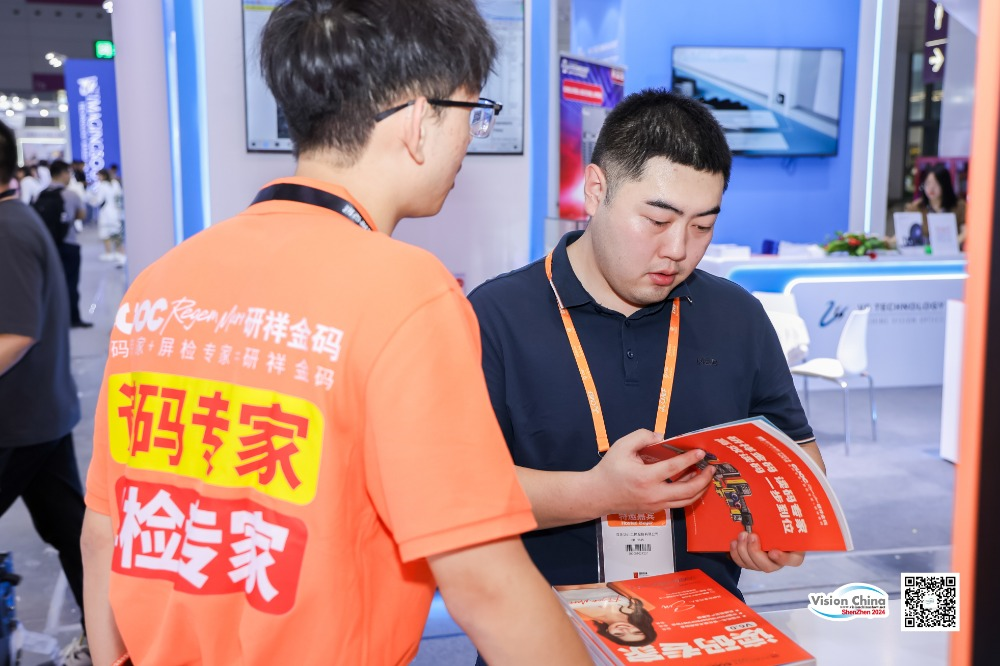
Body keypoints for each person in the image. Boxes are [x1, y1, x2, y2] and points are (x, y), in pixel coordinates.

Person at [80, 2, 589, 666]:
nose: (471, 137)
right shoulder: (406, 291)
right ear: (418, 120)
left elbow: (104, 531)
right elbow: (487, 586)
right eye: (472, 112)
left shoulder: (159, 283)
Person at [469, 90, 826, 607]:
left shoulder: (737, 316)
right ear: (596, 190)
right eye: (658, 221)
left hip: (704, 624)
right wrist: (598, 493)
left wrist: (782, 529)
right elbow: (462, 491)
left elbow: (799, 460)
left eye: (702, 226)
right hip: (544, 627)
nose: (678, 249)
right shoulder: (496, 316)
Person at [0, 122, 91, 665]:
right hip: (40, 413)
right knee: (74, 533)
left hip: (19, 418)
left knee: (74, 532)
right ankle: (108, 637)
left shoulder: (8, 230)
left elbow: (17, 333)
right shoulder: (17, 219)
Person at [38, 160, 92, 328]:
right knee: (71, 283)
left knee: (51, 283)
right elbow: (82, 215)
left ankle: (52, 320)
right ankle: (73, 318)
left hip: (48, 246)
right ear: (62, 174)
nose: (69, 176)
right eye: (68, 173)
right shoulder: (70, 195)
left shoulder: (41, 195)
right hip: (68, 244)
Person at [557, 584, 657, 647]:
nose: (624, 630)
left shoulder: (579, 618)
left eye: (619, 634)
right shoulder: (638, 605)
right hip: (591, 566)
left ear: (608, 632)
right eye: (636, 632)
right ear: (644, 627)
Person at [904, 163, 967, 247]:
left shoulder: (959, 206)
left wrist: (952, 244)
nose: (931, 188)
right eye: (928, 183)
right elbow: (905, 233)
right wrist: (889, 242)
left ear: (945, 185)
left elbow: (966, 232)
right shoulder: (916, 207)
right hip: (923, 252)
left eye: (936, 183)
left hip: (952, 251)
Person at [87, 169, 125, 262]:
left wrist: (90, 199)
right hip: (116, 212)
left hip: (106, 213)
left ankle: (108, 253)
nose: (98, 178)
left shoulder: (102, 185)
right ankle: (119, 252)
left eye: (99, 176)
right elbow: (120, 196)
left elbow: (98, 200)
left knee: (106, 234)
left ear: (103, 175)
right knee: (116, 232)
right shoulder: (115, 183)